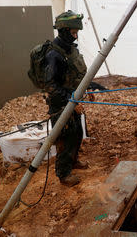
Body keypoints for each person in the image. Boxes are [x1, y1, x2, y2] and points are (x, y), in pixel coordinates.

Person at [44, 10, 100, 186]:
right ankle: (63, 174)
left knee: (76, 133)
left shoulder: (70, 51)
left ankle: (73, 161)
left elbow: (78, 74)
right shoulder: (53, 55)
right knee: (64, 138)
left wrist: (88, 88)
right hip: (61, 105)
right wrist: (71, 101)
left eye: (77, 33)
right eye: (73, 33)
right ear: (64, 31)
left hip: (73, 100)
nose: (76, 37)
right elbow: (51, 86)